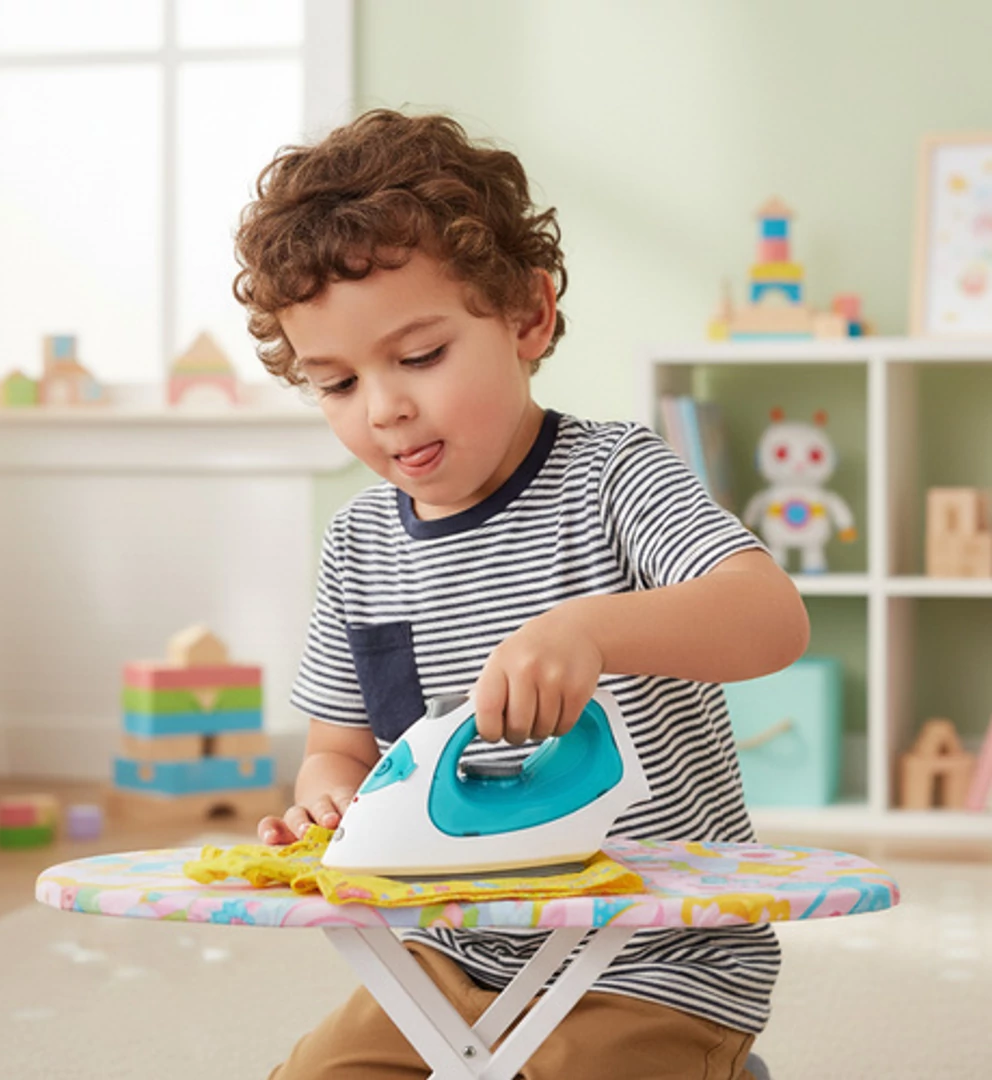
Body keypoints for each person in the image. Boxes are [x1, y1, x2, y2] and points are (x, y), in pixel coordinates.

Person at [233, 108, 809, 1080]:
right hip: (441, 957)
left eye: (420, 357)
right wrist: (327, 802)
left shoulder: (616, 477)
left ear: (527, 317)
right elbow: (339, 750)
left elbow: (772, 618)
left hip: (649, 959)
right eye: (336, 384)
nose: (385, 409)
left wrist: (592, 631)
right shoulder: (359, 544)